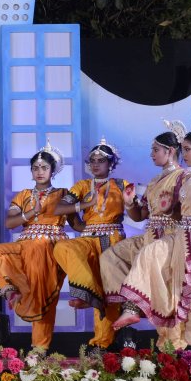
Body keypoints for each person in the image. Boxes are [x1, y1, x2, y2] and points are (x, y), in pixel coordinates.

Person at [113, 115, 191, 350]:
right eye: (183, 149)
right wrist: (157, 208)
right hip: (184, 236)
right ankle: (132, 309)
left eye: (188, 149)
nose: (185, 154)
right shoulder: (189, 175)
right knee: (151, 254)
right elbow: (176, 212)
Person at [0, 141, 69, 352]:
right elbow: (9, 223)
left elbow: (76, 222)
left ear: (53, 170)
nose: (40, 172)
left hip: (50, 249)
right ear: (31, 171)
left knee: (44, 296)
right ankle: (10, 290)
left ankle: (39, 348)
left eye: (44, 168)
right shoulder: (22, 195)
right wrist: (32, 213)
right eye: (36, 168)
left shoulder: (63, 194)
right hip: (24, 246)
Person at [101, 124, 185, 347]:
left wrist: (172, 208)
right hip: (150, 234)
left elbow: (187, 210)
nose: (151, 154)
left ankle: (134, 310)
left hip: (171, 237)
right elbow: (140, 216)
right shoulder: (155, 181)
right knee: (111, 255)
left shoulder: (184, 177)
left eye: (155, 150)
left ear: (170, 151)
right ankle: (131, 304)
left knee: (164, 292)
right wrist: (130, 204)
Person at [52, 139, 132, 350]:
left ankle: (103, 342)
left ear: (111, 164)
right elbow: (59, 209)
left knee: (111, 291)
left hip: (113, 240)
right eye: (92, 161)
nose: (95, 165)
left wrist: (133, 203)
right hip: (88, 238)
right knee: (63, 248)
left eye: (101, 161)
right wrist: (82, 207)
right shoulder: (82, 186)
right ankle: (87, 292)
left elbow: (138, 213)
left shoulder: (122, 185)